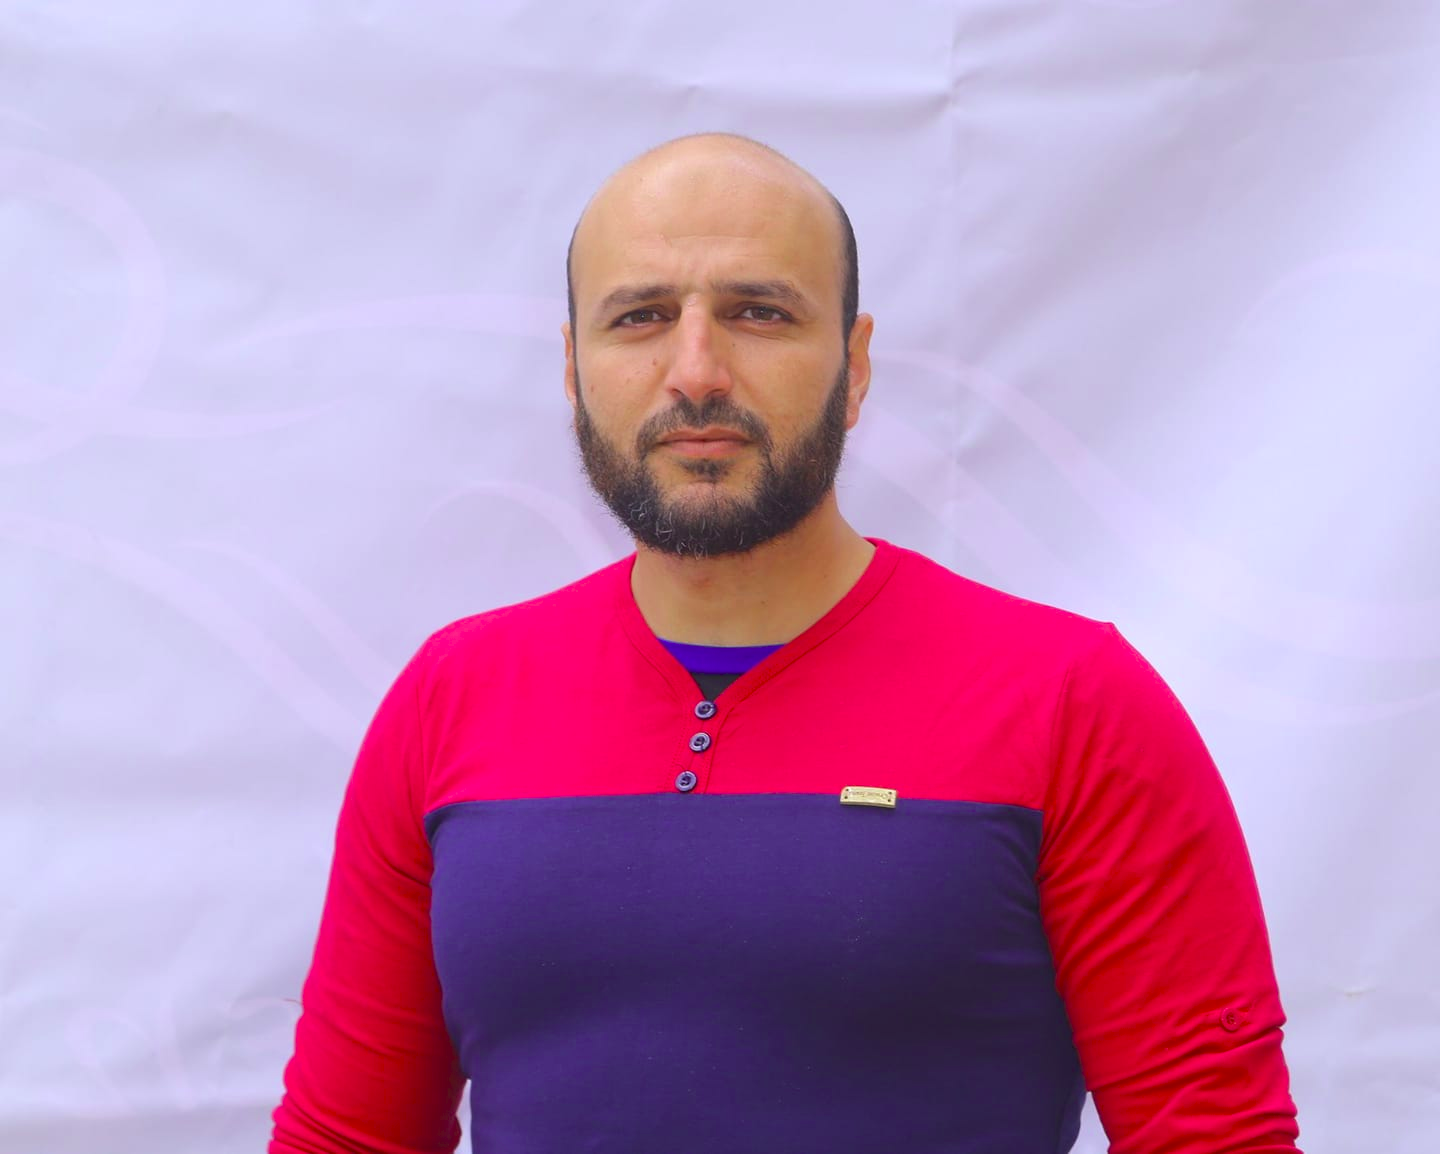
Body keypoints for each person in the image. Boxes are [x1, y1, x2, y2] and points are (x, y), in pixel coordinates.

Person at [270, 133, 1302, 1153]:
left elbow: (1215, 1138)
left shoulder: (1071, 701)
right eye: (640, 317)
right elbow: (343, 1138)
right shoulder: (453, 697)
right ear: (575, 368)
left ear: (854, 366)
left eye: (759, 313)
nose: (696, 372)